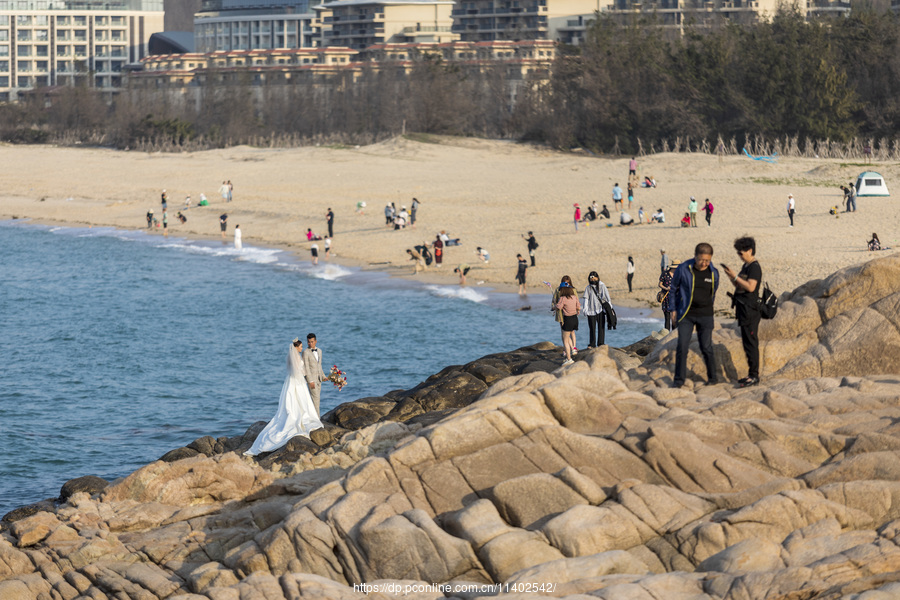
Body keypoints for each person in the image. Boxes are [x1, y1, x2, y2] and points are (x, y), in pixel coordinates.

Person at [243, 339, 324, 457]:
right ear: (296, 347)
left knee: (296, 401)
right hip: (297, 382)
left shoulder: (293, 356)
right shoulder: (295, 357)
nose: (302, 348)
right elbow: (299, 371)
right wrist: (308, 375)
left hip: (292, 381)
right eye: (300, 346)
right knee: (298, 401)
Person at [671, 242, 720, 388]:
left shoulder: (713, 272)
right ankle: (678, 381)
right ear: (695, 256)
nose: (704, 263)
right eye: (701, 260)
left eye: (707, 260)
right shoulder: (684, 268)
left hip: (705, 315)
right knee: (682, 346)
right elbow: (673, 289)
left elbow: (713, 291)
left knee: (706, 347)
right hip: (686, 314)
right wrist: (673, 309)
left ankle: (713, 379)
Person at [722, 237, 762, 388]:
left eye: (741, 252)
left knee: (751, 343)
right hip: (743, 309)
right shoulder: (746, 266)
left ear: (750, 250)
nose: (739, 255)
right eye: (738, 253)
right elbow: (740, 284)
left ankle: (754, 376)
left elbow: (751, 287)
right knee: (746, 343)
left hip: (751, 310)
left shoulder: (754, 267)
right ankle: (751, 374)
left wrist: (736, 277)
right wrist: (732, 276)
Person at [551, 276, 578, 357]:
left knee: (571, 332)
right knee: (564, 332)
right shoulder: (558, 289)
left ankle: (573, 347)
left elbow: (576, 301)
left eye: (568, 283)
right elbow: (554, 301)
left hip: (570, 314)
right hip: (561, 314)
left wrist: (576, 309)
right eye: (565, 282)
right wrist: (554, 307)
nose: (566, 285)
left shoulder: (573, 289)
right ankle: (567, 349)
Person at [583, 271, 611, 348]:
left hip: (601, 310)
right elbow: (586, 299)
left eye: (594, 277)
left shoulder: (602, 286)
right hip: (590, 311)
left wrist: (610, 308)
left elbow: (607, 297)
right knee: (592, 328)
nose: (593, 279)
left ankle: (601, 343)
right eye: (591, 277)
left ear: (597, 277)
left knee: (601, 327)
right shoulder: (588, 288)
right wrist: (585, 310)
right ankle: (592, 344)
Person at [555, 283, 581, 365]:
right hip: (575, 319)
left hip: (568, 319)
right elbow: (578, 306)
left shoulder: (562, 298)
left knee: (565, 340)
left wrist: (554, 306)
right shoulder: (574, 297)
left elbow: (558, 307)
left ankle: (569, 358)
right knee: (569, 335)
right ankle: (573, 349)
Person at [302, 333, 327, 416]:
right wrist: (310, 381)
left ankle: (313, 418)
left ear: (316, 341)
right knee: (315, 400)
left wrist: (323, 376)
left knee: (316, 400)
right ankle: (317, 420)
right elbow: (306, 368)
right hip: (312, 380)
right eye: (308, 342)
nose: (310, 344)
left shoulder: (319, 351)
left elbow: (319, 366)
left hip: (319, 379)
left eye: (312, 342)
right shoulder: (305, 352)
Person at [658, 259, 679, 331]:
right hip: (666, 298)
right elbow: (660, 284)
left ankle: (673, 335)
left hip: (675, 298)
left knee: (674, 318)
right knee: (667, 318)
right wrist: (666, 288)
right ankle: (666, 335)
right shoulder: (665, 274)